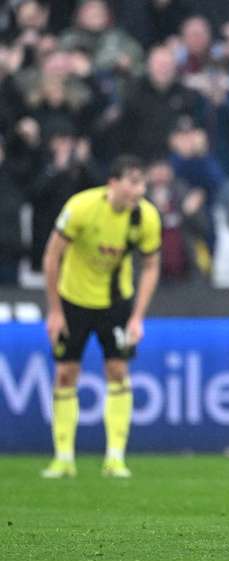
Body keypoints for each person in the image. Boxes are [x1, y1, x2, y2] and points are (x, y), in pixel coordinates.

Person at [41, 155, 162, 479]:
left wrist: (137, 316)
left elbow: (151, 266)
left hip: (115, 303)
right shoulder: (81, 207)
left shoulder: (146, 217)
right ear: (113, 182)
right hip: (73, 299)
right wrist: (54, 311)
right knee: (66, 373)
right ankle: (63, 458)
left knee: (118, 371)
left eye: (143, 183)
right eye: (133, 182)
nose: (140, 189)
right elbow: (52, 256)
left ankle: (115, 458)